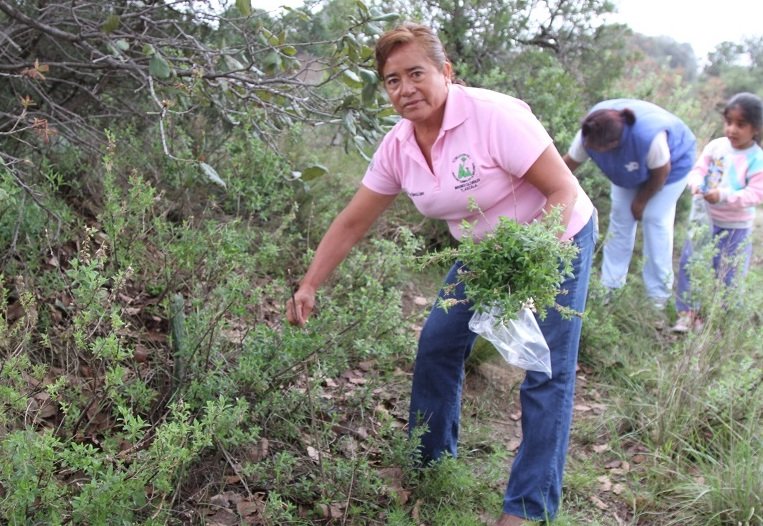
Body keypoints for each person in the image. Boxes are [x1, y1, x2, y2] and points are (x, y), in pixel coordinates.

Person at [286, 22, 597, 525]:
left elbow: (563, 189)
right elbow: (353, 220)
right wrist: (310, 283)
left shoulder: (494, 117)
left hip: (555, 238)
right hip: (485, 252)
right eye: (392, 80)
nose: (405, 89)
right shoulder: (398, 146)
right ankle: (429, 466)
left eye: (416, 73)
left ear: (445, 71)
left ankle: (528, 507)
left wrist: (530, 268)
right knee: (437, 345)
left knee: (546, 369)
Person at [563, 99, 696, 309]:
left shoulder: (648, 139)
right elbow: (566, 167)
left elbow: (661, 173)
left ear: (613, 145)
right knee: (621, 219)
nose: (589, 149)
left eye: (596, 148)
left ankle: (658, 297)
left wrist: (641, 201)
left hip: (671, 169)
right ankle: (610, 287)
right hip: (628, 171)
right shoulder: (590, 132)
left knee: (654, 219)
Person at [672, 92, 763, 333]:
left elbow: (756, 194)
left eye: (740, 124)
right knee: (692, 263)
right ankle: (688, 315)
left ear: (755, 128)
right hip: (705, 221)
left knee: (728, 274)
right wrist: (695, 183)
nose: (732, 129)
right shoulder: (716, 146)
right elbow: (698, 171)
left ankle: (717, 321)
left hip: (735, 228)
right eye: (728, 122)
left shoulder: (757, 158)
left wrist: (723, 195)